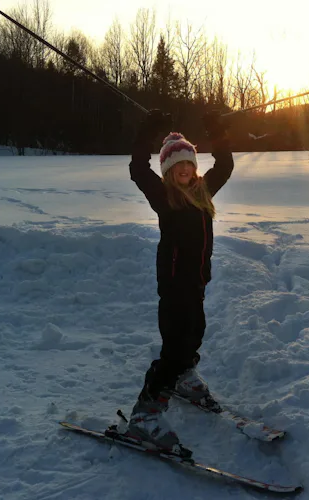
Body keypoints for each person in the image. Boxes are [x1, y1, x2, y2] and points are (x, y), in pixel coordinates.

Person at [126, 110, 234, 454]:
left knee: (195, 334)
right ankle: (144, 415)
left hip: (197, 284)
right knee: (173, 350)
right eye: (176, 167)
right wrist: (148, 131)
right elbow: (137, 170)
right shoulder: (164, 198)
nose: (184, 170)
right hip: (174, 288)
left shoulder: (203, 193)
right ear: (168, 172)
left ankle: (185, 379)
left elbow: (226, 165)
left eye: (188, 163)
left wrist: (216, 126)